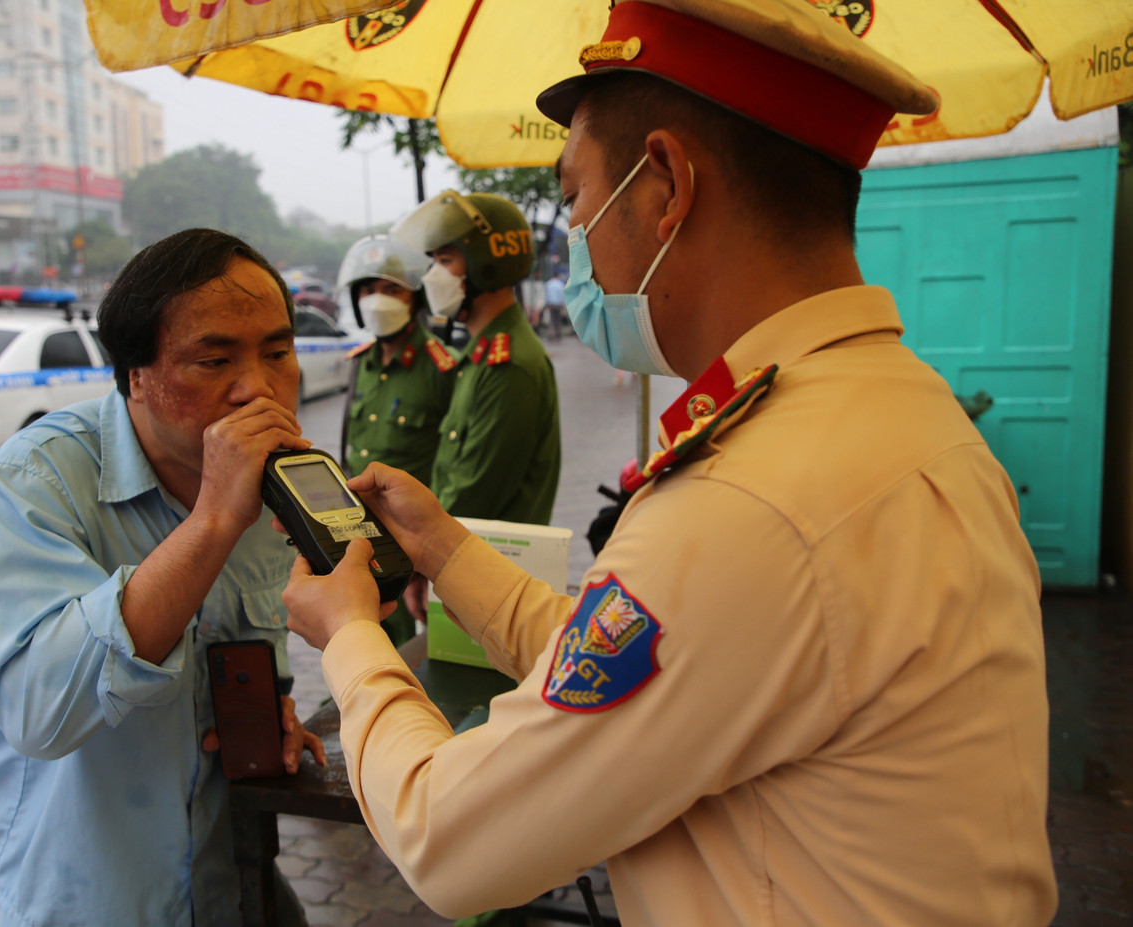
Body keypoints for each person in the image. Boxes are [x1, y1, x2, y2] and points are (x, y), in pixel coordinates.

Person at [280, 1, 1057, 925]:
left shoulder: (752, 500)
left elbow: (446, 835)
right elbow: (630, 665)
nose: (576, 245)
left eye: (574, 199)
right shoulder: (902, 409)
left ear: (665, 184)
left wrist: (352, 637)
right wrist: (446, 548)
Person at [0, 228, 325, 927]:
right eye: (214, 359)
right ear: (135, 375)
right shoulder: (36, 477)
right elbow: (38, 710)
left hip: (229, 885)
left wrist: (264, 711)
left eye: (279, 352)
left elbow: (249, 645)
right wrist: (212, 520)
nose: (258, 388)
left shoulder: (280, 482)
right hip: (80, 895)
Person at [392, 190, 561, 526]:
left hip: (488, 567)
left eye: (445, 260)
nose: (432, 276)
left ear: (486, 265)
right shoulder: (480, 355)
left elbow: (472, 498)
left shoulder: (508, 366)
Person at [338, 233, 456, 645]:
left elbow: (451, 460)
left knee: (407, 640)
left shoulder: (443, 367)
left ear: (415, 298)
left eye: (390, 289)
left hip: (411, 535)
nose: (376, 299)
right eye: (367, 289)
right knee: (362, 629)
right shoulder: (361, 365)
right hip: (358, 531)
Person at [541, 272, 565, 339]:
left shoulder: (548, 283)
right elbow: (562, 295)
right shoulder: (561, 284)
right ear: (557, 276)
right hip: (559, 304)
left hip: (551, 304)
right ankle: (558, 333)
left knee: (552, 319)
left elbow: (546, 294)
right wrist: (563, 304)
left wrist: (546, 304)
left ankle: (551, 333)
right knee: (558, 319)